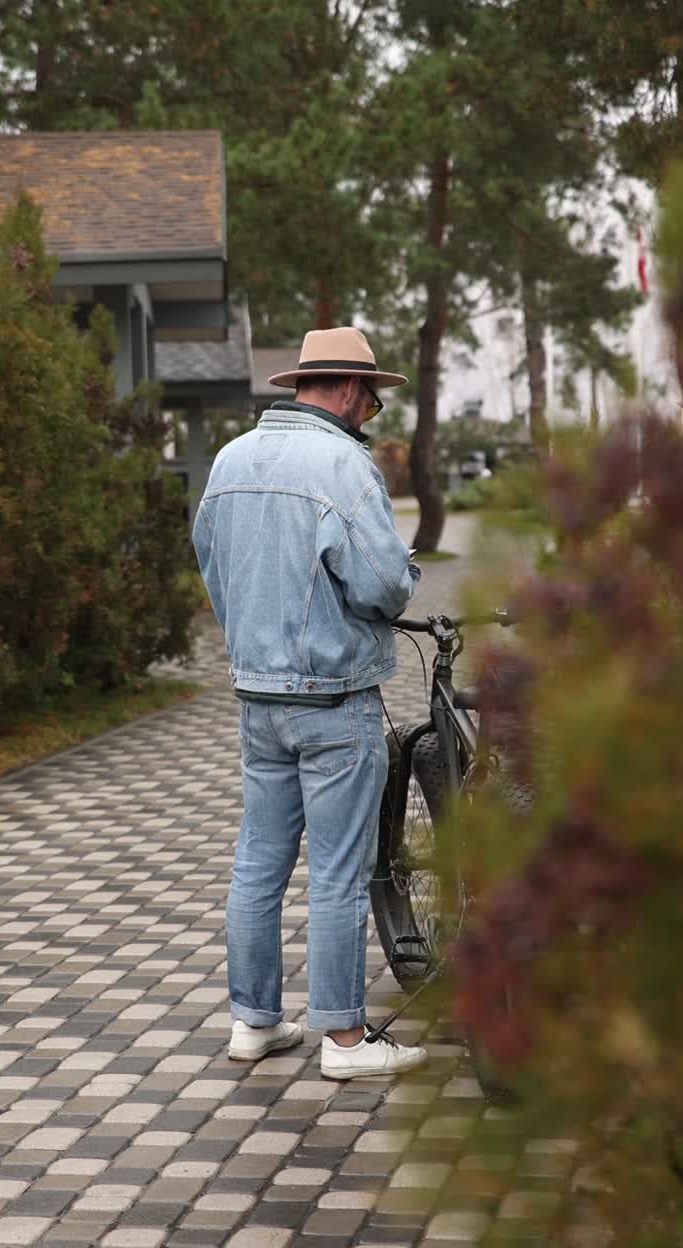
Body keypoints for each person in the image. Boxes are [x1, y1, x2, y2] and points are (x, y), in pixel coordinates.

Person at [192, 326, 427, 1079]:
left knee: (258, 860)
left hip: (257, 698)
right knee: (336, 869)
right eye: (373, 398)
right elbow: (383, 585)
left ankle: (254, 1022)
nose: (373, 412)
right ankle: (346, 1041)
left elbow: (211, 564)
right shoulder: (343, 464)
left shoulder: (229, 460)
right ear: (352, 388)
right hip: (333, 699)